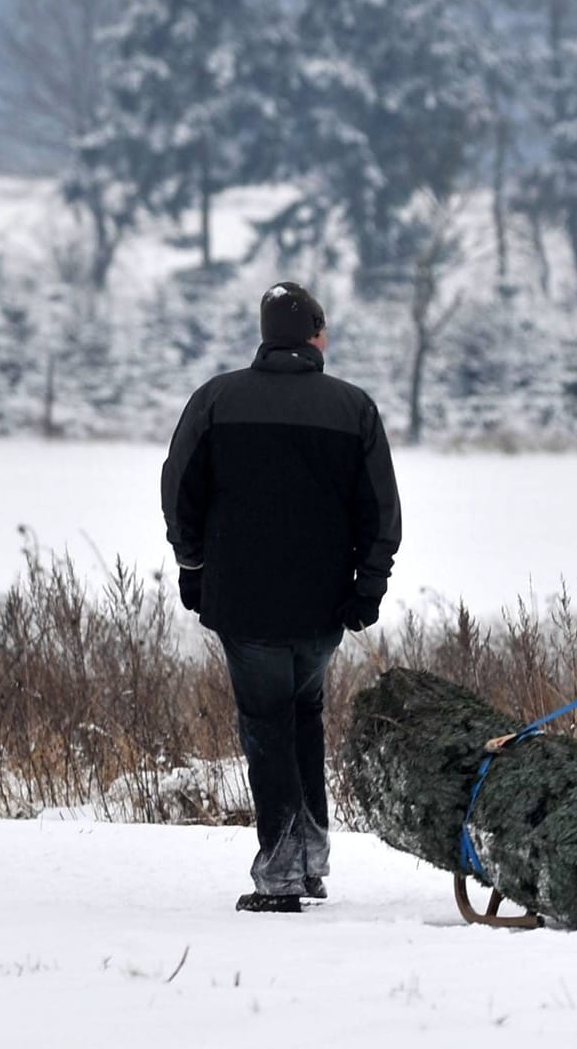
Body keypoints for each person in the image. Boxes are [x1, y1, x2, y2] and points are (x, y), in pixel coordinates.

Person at [161, 282, 402, 914]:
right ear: (315, 335)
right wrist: (368, 588)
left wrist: (193, 566)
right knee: (302, 719)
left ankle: (282, 875)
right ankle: (310, 860)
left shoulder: (215, 400)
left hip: (243, 600)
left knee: (267, 726)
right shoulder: (354, 408)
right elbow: (382, 513)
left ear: (267, 334)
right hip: (324, 605)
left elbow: (179, 490)